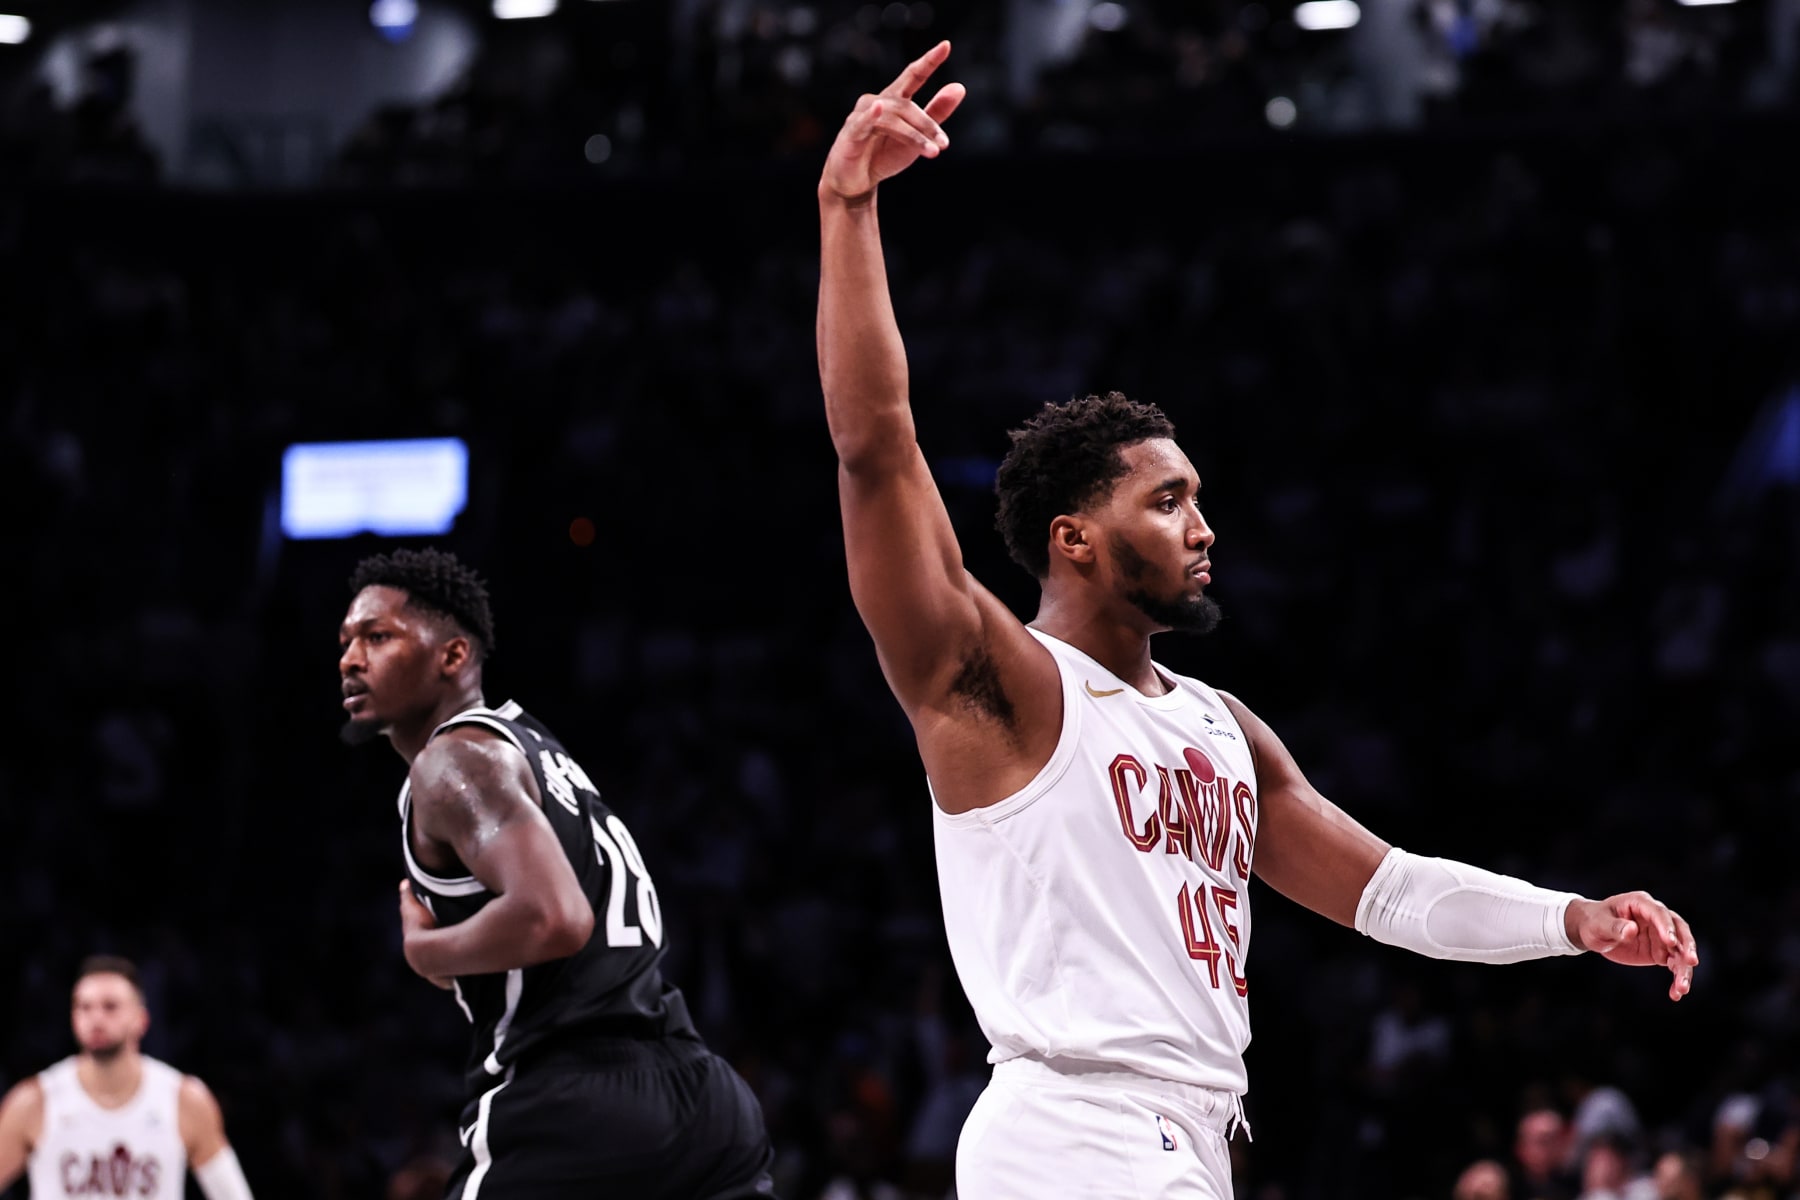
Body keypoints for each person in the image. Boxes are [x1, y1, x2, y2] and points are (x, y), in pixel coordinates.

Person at [814, 40, 1701, 1199]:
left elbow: (1392, 893)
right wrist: (847, 208)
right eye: (1167, 499)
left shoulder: (1221, 728)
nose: (1203, 526)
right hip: (1070, 1128)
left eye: (1200, 498)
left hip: (1189, 1134)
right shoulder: (1000, 682)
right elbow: (877, 446)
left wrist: (1572, 920)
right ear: (1073, 536)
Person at [337, 548, 776, 1198]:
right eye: (346, 640)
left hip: (574, 1099)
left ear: (453, 656)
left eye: (378, 637)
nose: (350, 658)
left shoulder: (451, 762)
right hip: (702, 1096)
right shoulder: (535, 750)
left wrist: (427, 951)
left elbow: (555, 916)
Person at [0, 956, 253, 1200]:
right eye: (84, 1007)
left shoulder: (184, 1101)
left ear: (141, 1019)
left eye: (110, 1006)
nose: (96, 1018)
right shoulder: (34, 1102)